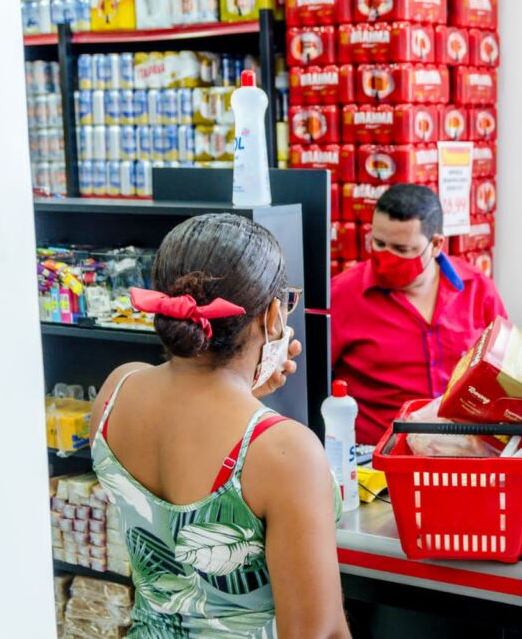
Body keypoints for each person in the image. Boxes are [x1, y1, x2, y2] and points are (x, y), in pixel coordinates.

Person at [89, 213, 350, 638]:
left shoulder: (117, 390)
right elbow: (320, 632)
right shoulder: (284, 451)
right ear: (272, 317)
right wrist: (249, 409)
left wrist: (247, 396)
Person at [331, 183, 507, 445]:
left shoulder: (478, 290)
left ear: (436, 244)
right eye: (379, 243)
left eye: (402, 250)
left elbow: (505, 372)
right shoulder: (342, 296)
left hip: (465, 452)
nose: (386, 257)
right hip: (377, 459)